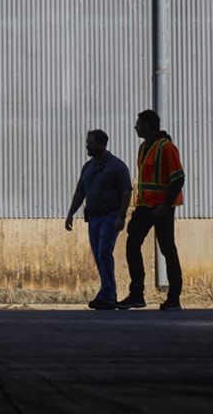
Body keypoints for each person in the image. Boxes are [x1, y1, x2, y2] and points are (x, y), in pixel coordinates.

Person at [117, 110, 185, 311]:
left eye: (138, 124)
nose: (135, 127)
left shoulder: (167, 147)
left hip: (162, 208)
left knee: (167, 250)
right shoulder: (143, 147)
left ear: (147, 125)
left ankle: (174, 298)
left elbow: (178, 179)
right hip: (145, 207)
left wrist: (165, 205)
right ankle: (136, 294)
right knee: (132, 245)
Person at [65, 129, 132, 310]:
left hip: (111, 216)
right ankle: (107, 292)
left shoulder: (117, 166)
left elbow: (126, 191)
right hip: (93, 217)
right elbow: (80, 192)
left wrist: (121, 215)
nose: (87, 146)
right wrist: (71, 213)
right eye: (87, 143)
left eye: (91, 143)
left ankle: (108, 294)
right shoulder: (88, 167)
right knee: (98, 254)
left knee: (104, 251)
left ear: (102, 144)